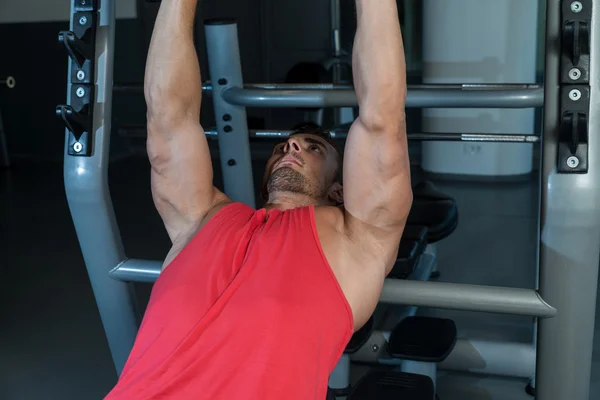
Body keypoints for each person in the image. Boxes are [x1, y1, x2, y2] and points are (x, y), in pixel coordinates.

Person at [105, 0, 411, 398]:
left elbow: (382, 119)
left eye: (313, 148)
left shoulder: (359, 240)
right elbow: (167, 120)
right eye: (283, 146)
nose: (292, 145)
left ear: (340, 190)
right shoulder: (201, 218)